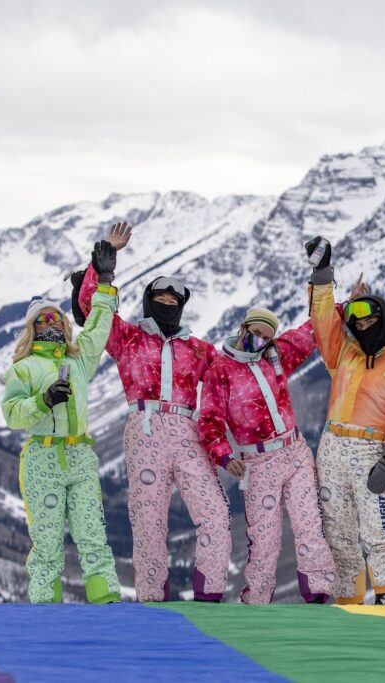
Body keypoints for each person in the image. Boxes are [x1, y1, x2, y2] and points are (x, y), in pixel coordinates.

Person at [77, 223, 230, 603]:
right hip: (143, 428)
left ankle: (209, 595)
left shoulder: (198, 349)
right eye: (158, 296)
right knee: (148, 524)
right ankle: (151, 602)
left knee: (215, 514)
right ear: (148, 301)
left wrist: (262, 354)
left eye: (172, 299)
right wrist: (103, 271)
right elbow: (90, 310)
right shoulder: (127, 337)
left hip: (187, 429)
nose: (166, 302)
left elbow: (234, 383)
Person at [1, 239, 121, 604]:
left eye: (56, 317)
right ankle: (45, 607)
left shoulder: (80, 360)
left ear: (65, 325)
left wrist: (104, 281)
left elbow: (99, 328)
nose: (51, 321)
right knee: (48, 539)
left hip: (81, 456)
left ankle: (106, 600)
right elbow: (11, 413)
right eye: (43, 319)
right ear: (32, 328)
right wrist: (43, 401)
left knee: (91, 533)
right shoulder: (23, 368)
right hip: (42, 459)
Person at [305, 237, 385, 605]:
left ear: (384, 319)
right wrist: (322, 275)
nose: (364, 325)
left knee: (378, 524)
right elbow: (323, 321)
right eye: (357, 320)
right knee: (337, 529)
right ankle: (348, 598)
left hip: (372, 449)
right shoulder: (343, 354)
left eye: (371, 318)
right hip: (333, 445)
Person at [198, 308, 335, 604]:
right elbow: (209, 421)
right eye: (257, 333)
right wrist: (223, 455)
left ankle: (319, 591)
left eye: (267, 337)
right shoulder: (221, 371)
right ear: (244, 327)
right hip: (258, 463)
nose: (260, 341)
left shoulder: (276, 356)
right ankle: (256, 600)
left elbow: (310, 332)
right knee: (264, 537)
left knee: (309, 522)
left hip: (294, 451)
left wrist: (342, 307)